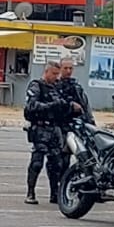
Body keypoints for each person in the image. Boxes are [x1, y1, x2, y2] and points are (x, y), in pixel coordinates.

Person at [23, 60, 72, 205]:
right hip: (40, 128)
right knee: (37, 162)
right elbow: (32, 106)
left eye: (58, 74)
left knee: (57, 164)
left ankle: (55, 193)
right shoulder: (36, 86)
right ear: (46, 72)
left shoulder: (57, 87)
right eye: (54, 74)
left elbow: (64, 105)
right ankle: (30, 192)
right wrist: (52, 106)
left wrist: (67, 106)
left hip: (55, 129)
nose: (56, 77)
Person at [56, 58, 94, 124]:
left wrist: (91, 120)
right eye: (65, 68)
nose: (68, 71)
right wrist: (71, 105)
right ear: (60, 68)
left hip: (77, 121)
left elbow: (85, 105)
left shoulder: (76, 87)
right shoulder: (55, 85)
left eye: (70, 68)